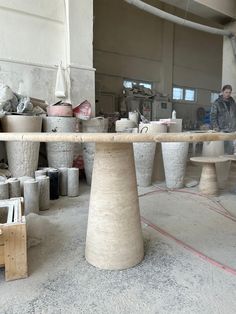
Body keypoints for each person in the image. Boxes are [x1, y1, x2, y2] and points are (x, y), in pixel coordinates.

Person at [210, 84, 236, 154]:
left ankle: (230, 163)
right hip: (223, 129)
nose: (228, 94)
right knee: (223, 150)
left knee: (232, 150)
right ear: (222, 92)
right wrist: (216, 127)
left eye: (229, 92)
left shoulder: (232, 102)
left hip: (233, 129)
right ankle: (224, 164)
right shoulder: (217, 103)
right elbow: (213, 116)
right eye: (226, 92)